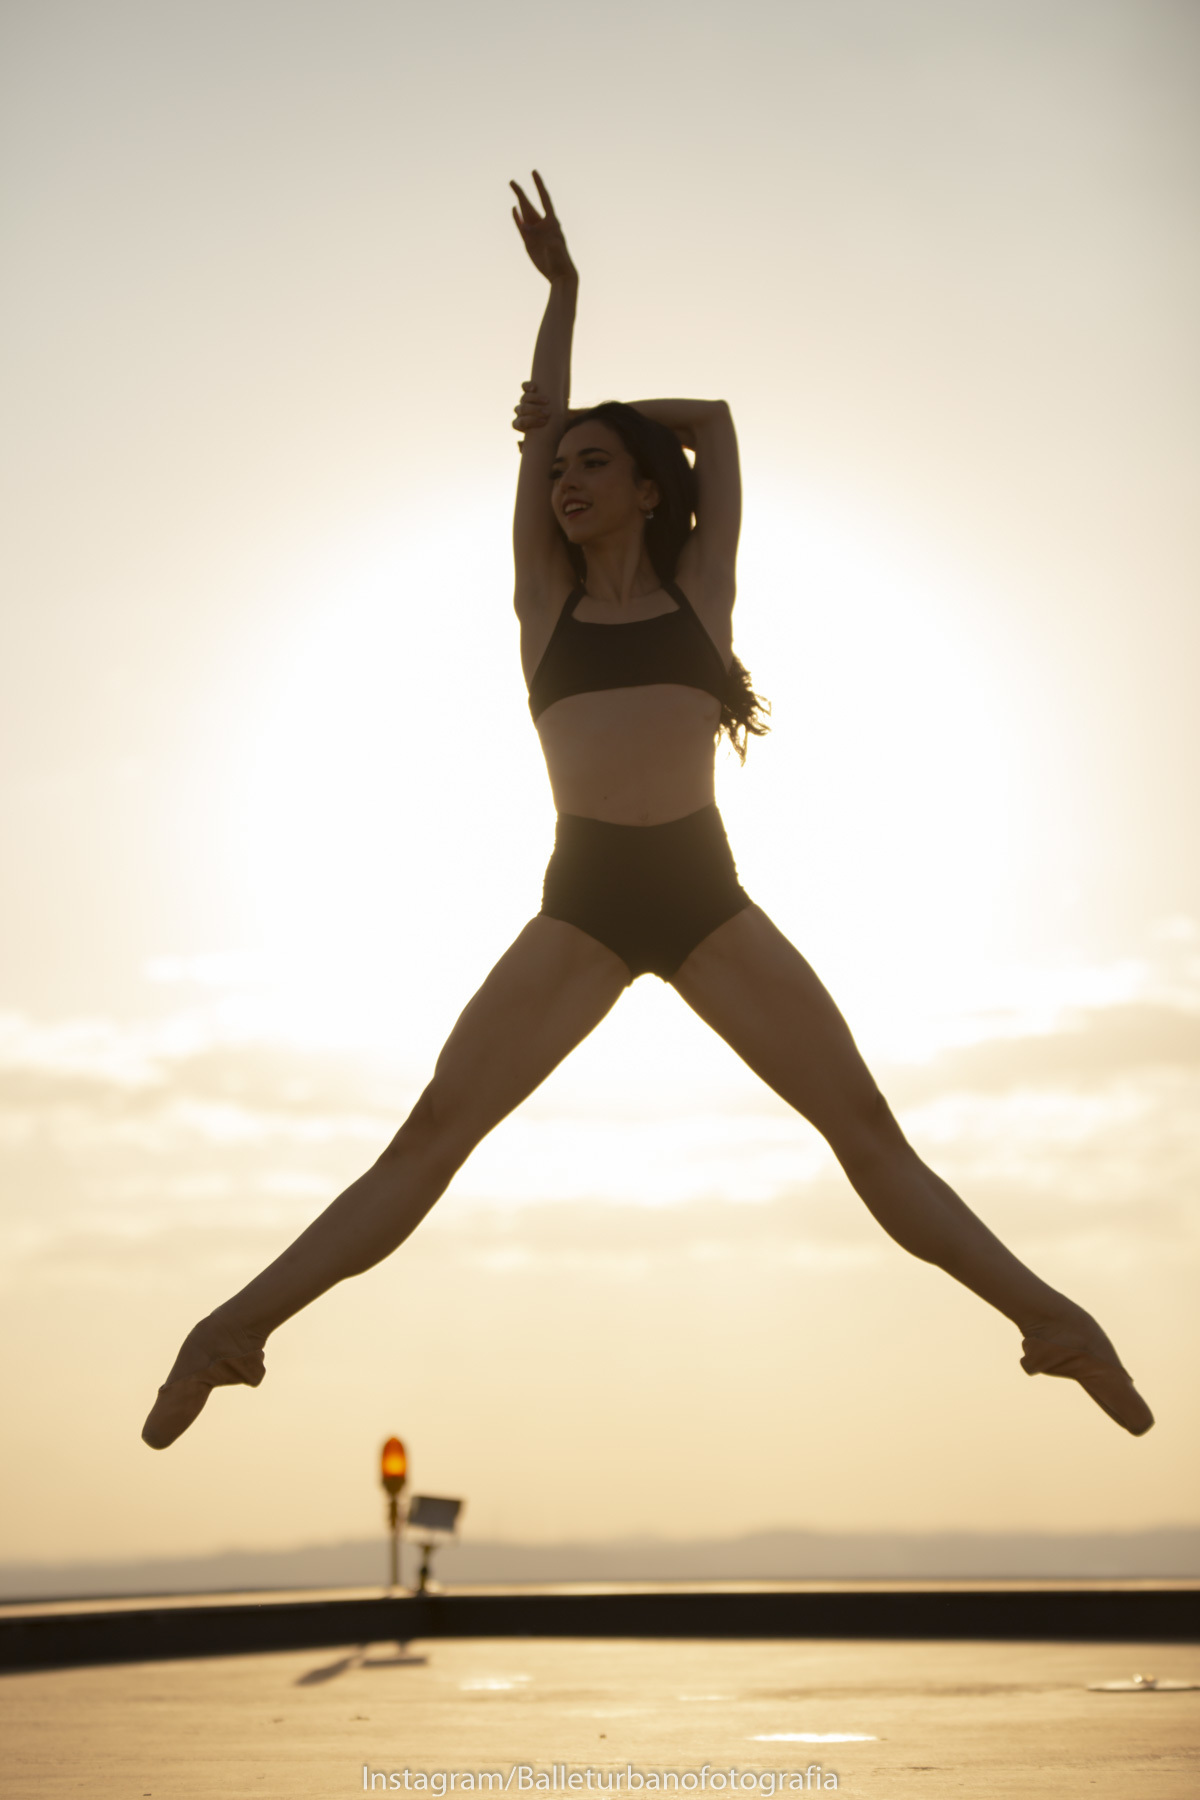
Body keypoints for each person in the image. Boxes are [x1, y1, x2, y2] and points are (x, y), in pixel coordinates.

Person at [142, 173, 1153, 1450]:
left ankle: (1057, 1322)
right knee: (431, 1137)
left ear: (639, 484)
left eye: (592, 465)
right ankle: (229, 1331)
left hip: (704, 898)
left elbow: (718, 426)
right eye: (556, 467)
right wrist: (561, 312)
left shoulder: (698, 594)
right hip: (584, 905)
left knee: (868, 1132)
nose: (566, 478)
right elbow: (544, 443)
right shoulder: (542, 608)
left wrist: (604, 405)